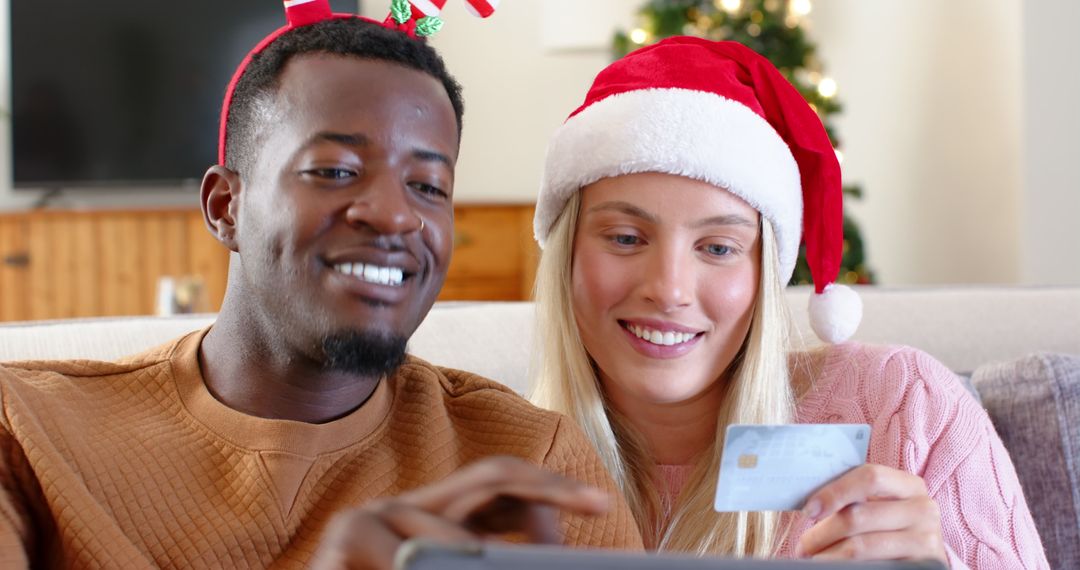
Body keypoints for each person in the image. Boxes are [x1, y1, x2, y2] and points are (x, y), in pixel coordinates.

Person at [0, 3, 642, 568]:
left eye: (428, 186)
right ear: (225, 206)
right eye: (335, 170)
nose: (395, 215)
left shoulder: (530, 462)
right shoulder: (25, 430)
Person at [529, 36, 1048, 568]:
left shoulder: (904, 405)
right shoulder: (501, 456)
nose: (669, 289)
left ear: (764, 276)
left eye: (718, 248)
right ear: (567, 255)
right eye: (625, 238)